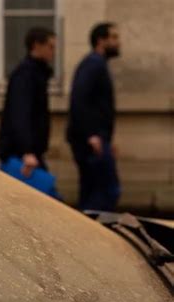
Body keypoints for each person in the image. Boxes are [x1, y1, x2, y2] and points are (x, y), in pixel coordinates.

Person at [0, 27, 59, 198]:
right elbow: (20, 114)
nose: (54, 52)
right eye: (51, 47)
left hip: (28, 152)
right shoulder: (26, 74)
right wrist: (27, 151)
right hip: (22, 154)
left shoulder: (36, 73)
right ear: (37, 45)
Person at [66, 22, 121, 211]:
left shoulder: (96, 65)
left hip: (95, 138)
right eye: (113, 38)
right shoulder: (93, 64)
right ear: (101, 41)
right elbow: (79, 99)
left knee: (91, 191)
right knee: (107, 191)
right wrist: (92, 135)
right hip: (91, 141)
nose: (118, 43)